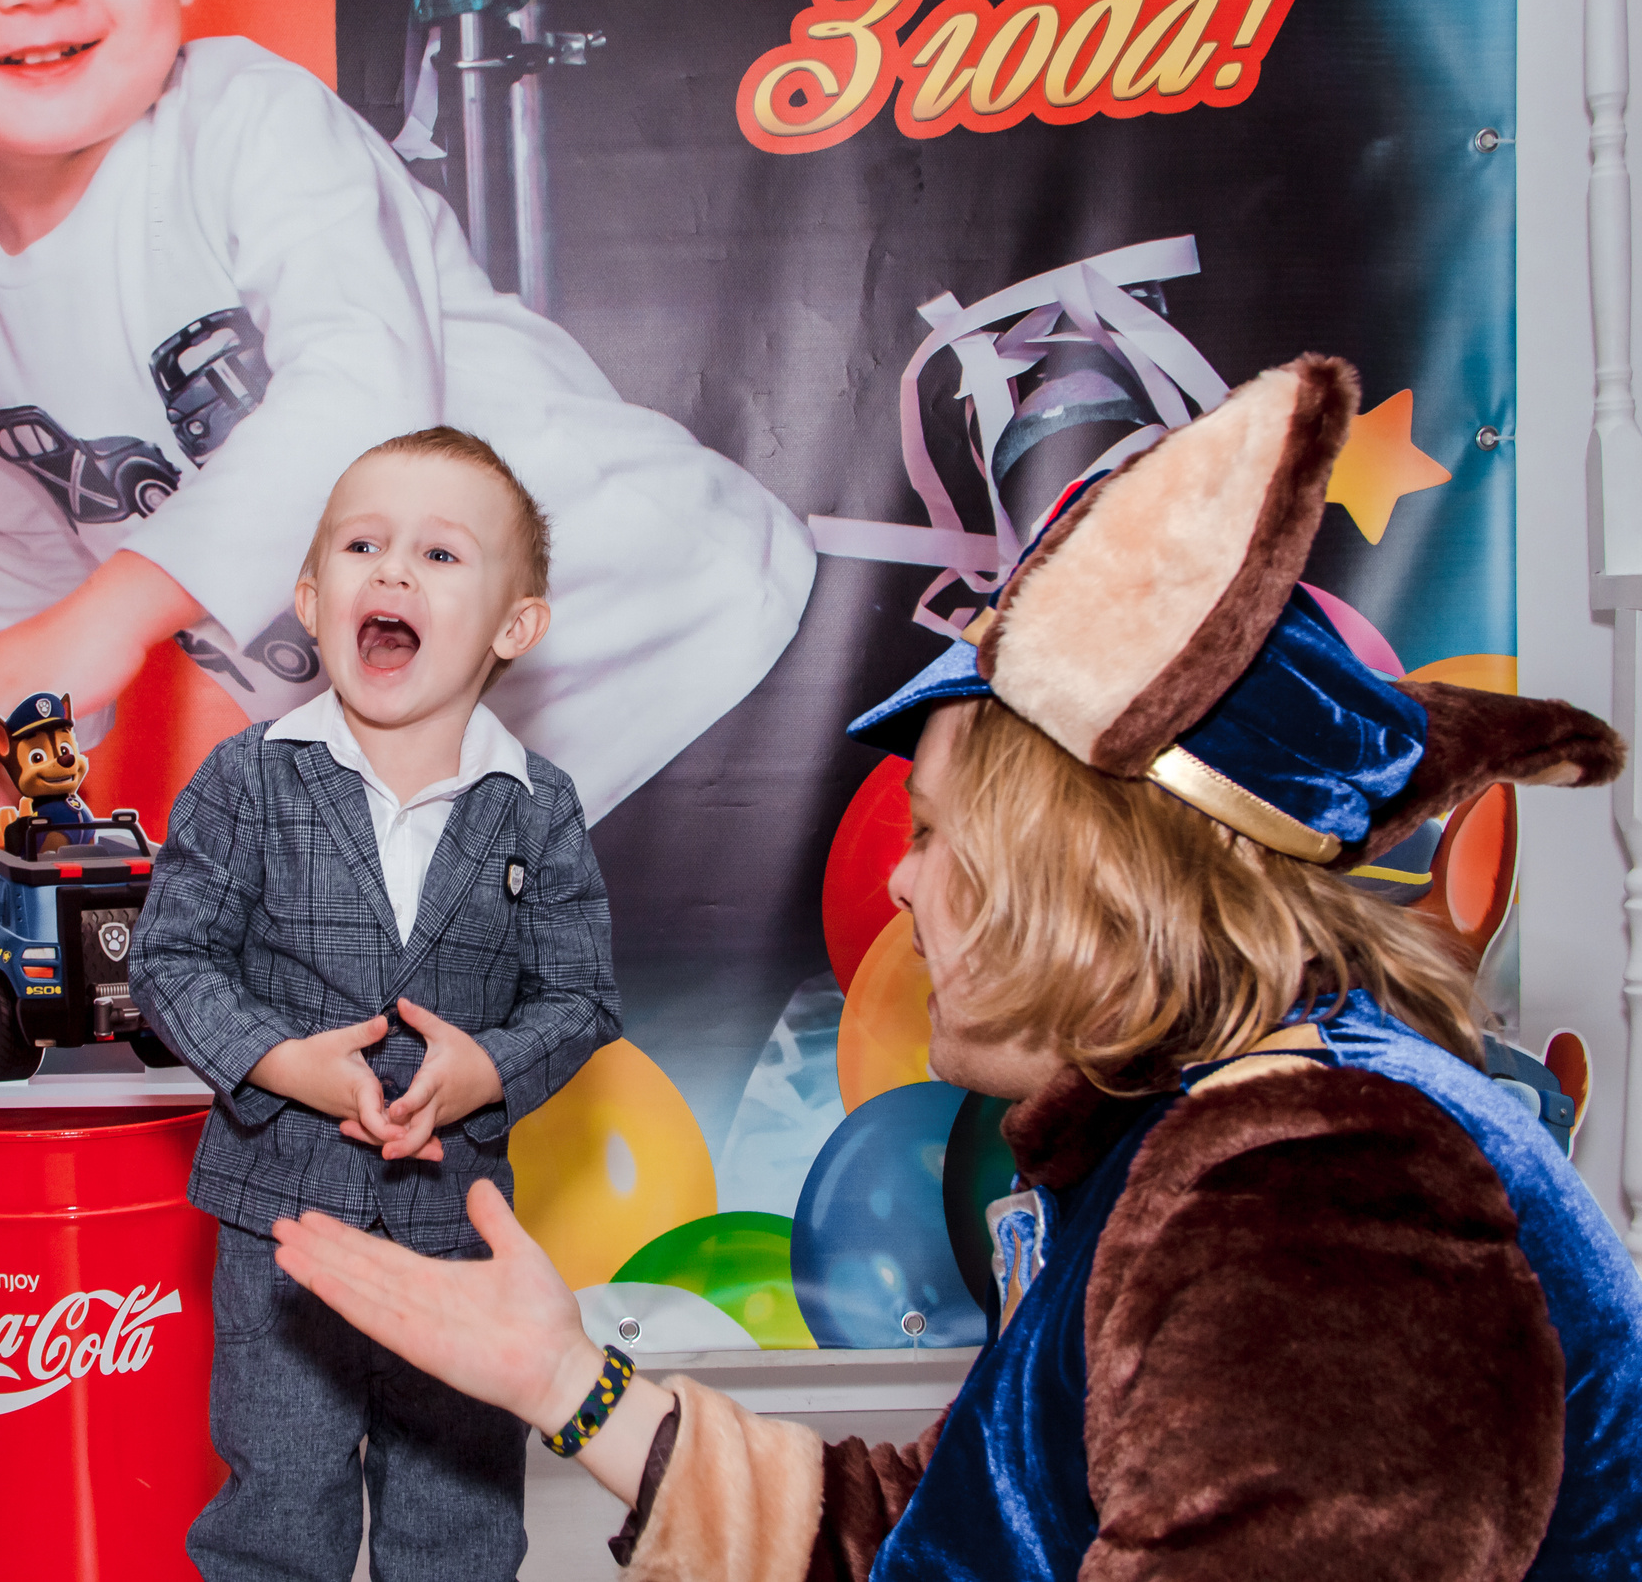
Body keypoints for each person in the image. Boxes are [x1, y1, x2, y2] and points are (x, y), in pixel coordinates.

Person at [267, 356, 1642, 1579]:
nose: (900, 880)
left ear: (1082, 869)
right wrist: (562, 1374)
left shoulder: (1314, 1200)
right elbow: (946, 1531)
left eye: (938, 835)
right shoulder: (1195, 1140)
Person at [0, 0, 815, 823]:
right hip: (478, 777)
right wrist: (34, 739)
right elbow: (38, 547)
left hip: (686, 651)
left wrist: (108, 617)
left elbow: (364, 406)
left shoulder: (246, 121)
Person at [131, 429, 622, 1581]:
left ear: (515, 626)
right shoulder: (246, 780)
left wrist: (488, 1071)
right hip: (282, 1231)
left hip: (458, 1236)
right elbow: (171, 960)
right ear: (312, 599)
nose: (392, 572)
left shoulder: (535, 807)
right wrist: (279, 1061)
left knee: (455, 1514)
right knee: (277, 1504)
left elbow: (581, 996)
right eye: (363, 546)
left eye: (440, 555)